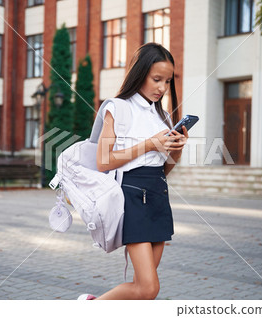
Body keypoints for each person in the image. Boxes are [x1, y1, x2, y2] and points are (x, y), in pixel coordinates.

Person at [78, 42, 188, 300]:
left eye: (167, 81)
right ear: (140, 73)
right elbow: (104, 161)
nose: (162, 87)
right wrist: (149, 144)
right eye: (156, 79)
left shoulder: (163, 117)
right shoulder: (117, 108)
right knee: (149, 288)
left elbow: (164, 169)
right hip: (132, 198)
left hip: (158, 194)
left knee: (143, 290)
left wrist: (177, 150)